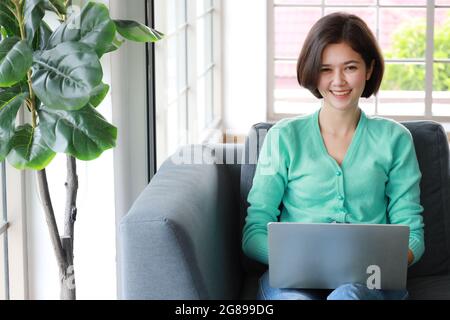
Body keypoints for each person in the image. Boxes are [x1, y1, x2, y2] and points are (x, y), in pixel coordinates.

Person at [242, 12, 425, 300]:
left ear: (369, 69)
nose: (338, 81)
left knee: (348, 296)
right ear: (313, 72)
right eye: (326, 69)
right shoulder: (283, 137)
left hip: (367, 285)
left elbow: (413, 233)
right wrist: (303, 263)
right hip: (293, 284)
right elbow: (253, 233)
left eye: (350, 67)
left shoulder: (395, 139)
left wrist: (379, 264)